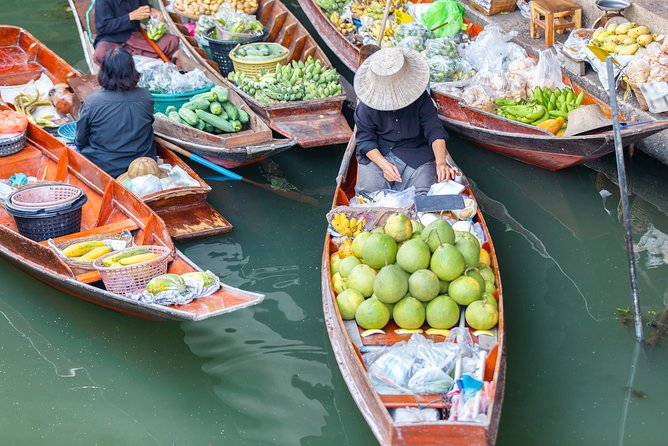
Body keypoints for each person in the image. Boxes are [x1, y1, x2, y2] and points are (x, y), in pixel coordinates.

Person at [353, 47, 460, 196]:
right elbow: (365, 141)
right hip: (380, 153)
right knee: (370, 193)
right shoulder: (366, 106)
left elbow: (435, 131)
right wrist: (385, 166)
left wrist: (441, 162)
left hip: (416, 153)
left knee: (425, 194)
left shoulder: (421, 99)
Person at [76, 47, 156, 177]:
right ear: (131, 71)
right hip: (143, 164)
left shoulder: (92, 102)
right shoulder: (146, 96)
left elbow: (80, 141)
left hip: (107, 167)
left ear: (103, 72)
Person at [93, 0, 179, 65]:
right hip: (111, 39)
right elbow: (103, 27)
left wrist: (152, 11)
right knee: (101, 54)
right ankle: (135, 64)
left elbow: (145, 7)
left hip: (134, 35)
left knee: (172, 41)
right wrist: (130, 17)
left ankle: (136, 64)